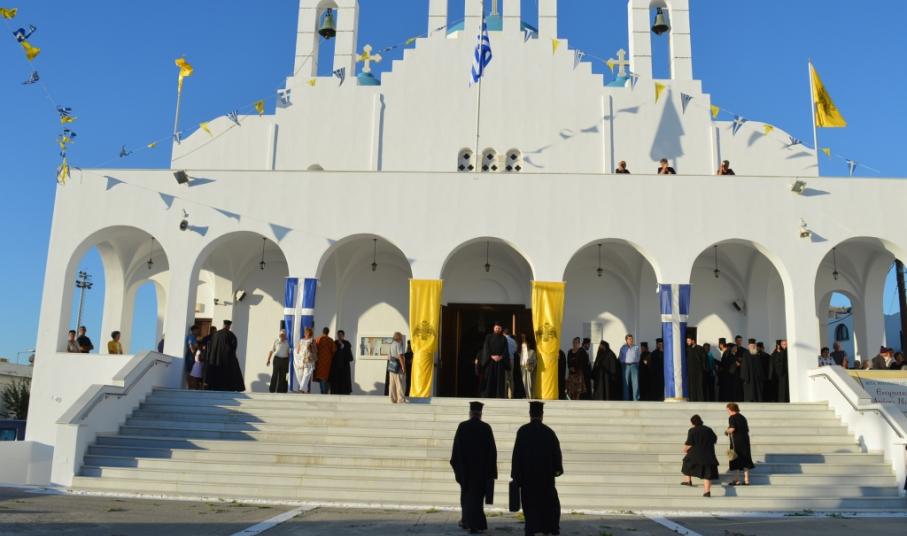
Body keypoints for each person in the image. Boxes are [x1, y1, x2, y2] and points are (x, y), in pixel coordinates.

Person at [511, 402, 562, 536]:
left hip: (528, 478)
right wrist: (557, 469)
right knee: (547, 505)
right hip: (545, 478)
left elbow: (517, 456)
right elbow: (556, 454)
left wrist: (516, 476)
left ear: (530, 414)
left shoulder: (523, 431)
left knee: (530, 505)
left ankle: (531, 529)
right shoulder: (549, 432)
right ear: (542, 415)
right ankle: (547, 528)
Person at [450, 401, 497, 534]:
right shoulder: (486, 428)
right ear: (480, 414)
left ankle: (467, 521)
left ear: (470, 413)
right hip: (481, 472)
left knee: (466, 498)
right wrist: (491, 472)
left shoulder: (463, 426)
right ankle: (474, 523)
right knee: (478, 500)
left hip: (466, 472)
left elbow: (456, 451)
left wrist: (458, 469)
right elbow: (492, 452)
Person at [681, 414, 719, 497]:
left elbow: (690, 443)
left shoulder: (692, 430)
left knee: (686, 462)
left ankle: (688, 480)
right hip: (708, 454)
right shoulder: (708, 429)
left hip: (696, 454)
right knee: (707, 473)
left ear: (692, 422)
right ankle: (707, 491)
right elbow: (714, 439)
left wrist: (685, 449)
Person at [204, 320, 245, 391]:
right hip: (227, 361)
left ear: (223, 325)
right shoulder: (231, 335)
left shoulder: (215, 334)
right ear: (229, 326)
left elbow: (210, 347)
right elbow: (233, 348)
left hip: (215, 360)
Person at [725, 402, 754, 486]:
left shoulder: (732, 417)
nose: (727, 411)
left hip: (736, 441)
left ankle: (737, 480)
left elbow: (732, 429)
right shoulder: (742, 417)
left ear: (731, 409)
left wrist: (726, 431)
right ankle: (746, 480)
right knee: (745, 458)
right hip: (745, 440)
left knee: (735, 458)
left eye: (727, 409)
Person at [481, 321, 511, 399]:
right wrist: (491, 356)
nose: (497, 329)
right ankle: (488, 394)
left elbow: (506, 350)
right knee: (489, 378)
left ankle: (499, 395)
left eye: (499, 328)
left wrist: (501, 357)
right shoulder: (488, 337)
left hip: (500, 362)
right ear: (494, 328)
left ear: (501, 329)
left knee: (499, 379)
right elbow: (486, 348)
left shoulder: (504, 338)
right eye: (496, 328)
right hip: (490, 361)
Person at [329, 330, 354, 395]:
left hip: (344, 367)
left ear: (343, 335)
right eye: (338, 335)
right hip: (336, 367)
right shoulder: (334, 343)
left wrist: (343, 347)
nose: (340, 336)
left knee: (344, 381)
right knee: (336, 381)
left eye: (341, 335)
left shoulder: (347, 343)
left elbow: (349, 356)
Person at [294, 327, 317, 393]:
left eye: (307, 332)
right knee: (300, 375)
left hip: (309, 359)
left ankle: (302, 388)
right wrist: (298, 357)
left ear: (310, 333)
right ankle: (304, 389)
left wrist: (310, 348)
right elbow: (298, 350)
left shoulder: (312, 340)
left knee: (306, 374)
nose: (306, 333)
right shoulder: (301, 340)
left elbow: (315, 350)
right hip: (301, 359)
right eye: (305, 332)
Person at [266, 329, 291, 393]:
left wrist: (289, 362)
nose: (282, 336)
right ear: (279, 335)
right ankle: (272, 390)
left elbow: (289, 353)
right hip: (277, 359)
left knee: (283, 376)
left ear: (285, 336)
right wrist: (268, 360)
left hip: (285, 360)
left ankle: (280, 391)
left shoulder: (288, 342)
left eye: (283, 335)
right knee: (274, 375)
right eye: (281, 335)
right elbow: (271, 351)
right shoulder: (276, 341)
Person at [618, 334, 641, 401]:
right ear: (626, 340)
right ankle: (626, 399)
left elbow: (638, 356)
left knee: (635, 383)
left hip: (634, 365)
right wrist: (623, 363)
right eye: (629, 339)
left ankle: (636, 399)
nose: (631, 340)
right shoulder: (623, 348)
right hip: (626, 366)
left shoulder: (636, 347)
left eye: (632, 339)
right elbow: (620, 357)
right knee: (626, 383)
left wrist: (636, 362)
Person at [686, 332, 707, 402]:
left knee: (699, 386)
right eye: (687, 341)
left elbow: (704, 360)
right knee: (691, 386)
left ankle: (700, 400)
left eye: (688, 341)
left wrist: (703, 369)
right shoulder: (688, 349)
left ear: (693, 341)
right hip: (690, 372)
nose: (687, 342)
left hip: (698, 372)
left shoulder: (700, 348)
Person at [313, 327, 335, 394]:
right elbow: (334, 350)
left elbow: (314, 350)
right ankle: (324, 392)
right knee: (325, 377)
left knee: (321, 377)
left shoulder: (318, 339)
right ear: (328, 332)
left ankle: (323, 392)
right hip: (328, 362)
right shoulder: (330, 340)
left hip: (319, 361)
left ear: (323, 332)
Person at [387, 331, 407, 403]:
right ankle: (400, 399)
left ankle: (393, 399)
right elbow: (400, 356)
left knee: (392, 384)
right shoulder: (398, 344)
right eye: (401, 337)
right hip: (398, 366)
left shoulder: (392, 344)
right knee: (400, 383)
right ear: (399, 337)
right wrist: (403, 367)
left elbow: (388, 356)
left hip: (392, 366)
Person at [519, 333, 537, 399]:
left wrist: (529, 364)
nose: (525, 345)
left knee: (529, 383)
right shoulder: (522, 352)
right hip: (523, 369)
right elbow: (521, 361)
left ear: (529, 344)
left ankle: (529, 396)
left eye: (526, 344)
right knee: (523, 382)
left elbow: (534, 361)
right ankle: (525, 395)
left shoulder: (532, 351)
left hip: (529, 369)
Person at [503, 328, 517, 398]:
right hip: (511, 359)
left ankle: (505, 394)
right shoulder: (513, 341)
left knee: (505, 377)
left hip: (504, 359)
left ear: (503, 333)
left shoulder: (503, 339)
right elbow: (515, 350)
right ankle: (512, 394)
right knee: (511, 377)